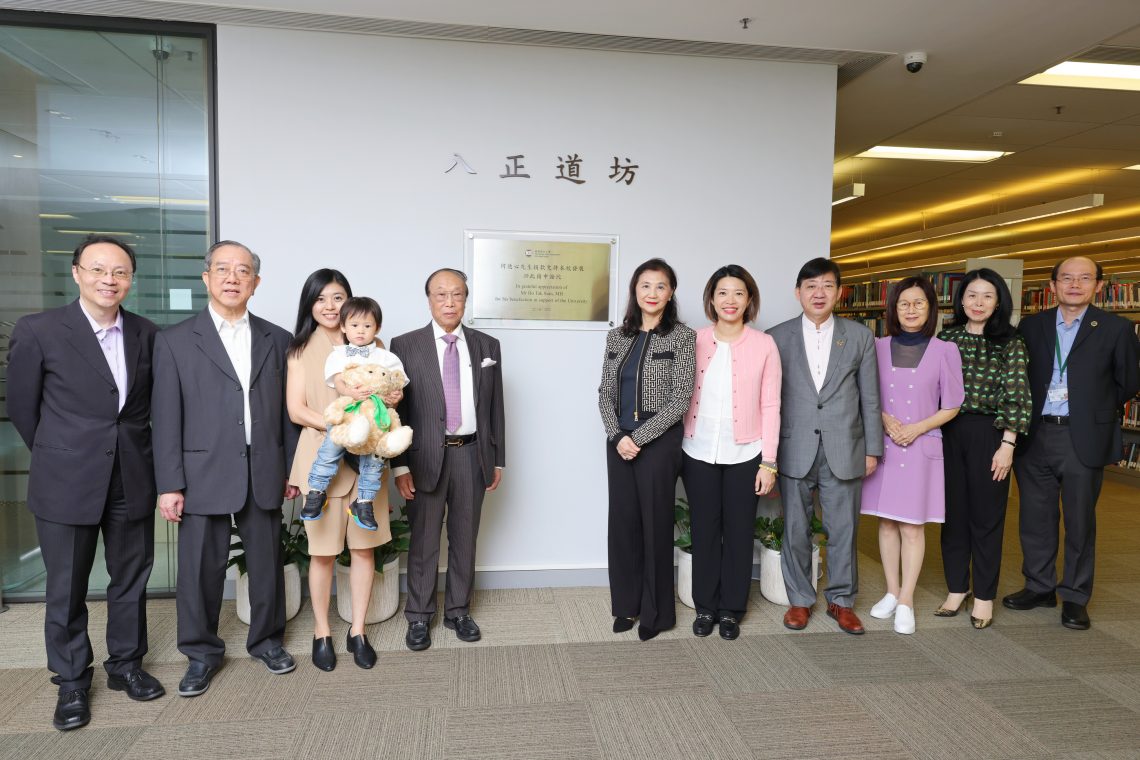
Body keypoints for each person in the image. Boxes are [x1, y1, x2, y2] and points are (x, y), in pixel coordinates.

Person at [8, 235, 163, 731]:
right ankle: (72, 680)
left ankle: (126, 665)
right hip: (66, 480)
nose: (109, 280)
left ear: (130, 279)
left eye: (119, 272)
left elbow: (148, 409)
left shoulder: (146, 332)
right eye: (98, 270)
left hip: (131, 476)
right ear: (76, 273)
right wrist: (61, 454)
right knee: (66, 586)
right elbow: (22, 409)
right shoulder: (39, 330)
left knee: (130, 579)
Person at [152, 240, 300, 696]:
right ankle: (200, 653)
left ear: (256, 282)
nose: (232, 277)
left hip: (264, 469)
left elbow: (288, 414)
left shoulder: (279, 338)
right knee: (199, 571)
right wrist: (169, 483)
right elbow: (165, 417)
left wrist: (293, 468)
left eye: (243, 271)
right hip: (201, 474)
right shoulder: (175, 339)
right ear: (206, 278)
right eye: (223, 269)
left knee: (267, 563)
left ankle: (267, 641)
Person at [1006, 256, 1140, 630]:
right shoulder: (1032, 326)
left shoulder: (1116, 328)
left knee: (1080, 521)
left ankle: (1076, 597)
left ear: (1099, 285)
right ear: (1052, 286)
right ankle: (1039, 586)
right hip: (1036, 434)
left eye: (1085, 278)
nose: (1075, 285)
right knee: (1035, 517)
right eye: (1066, 278)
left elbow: (1128, 381)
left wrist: (1091, 408)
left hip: (1083, 435)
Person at [286, 276, 399, 671]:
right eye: (321, 299)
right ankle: (322, 632)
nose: (330, 306)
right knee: (322, 555)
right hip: (323, 457)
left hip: (367, 461)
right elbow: (296, 410)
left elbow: (389, 389)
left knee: (365, 550)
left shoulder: (375, 346)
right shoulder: (301, 349)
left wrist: (391, 397)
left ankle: (358, 630)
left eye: (338, 297)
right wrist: (341, 430)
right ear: (310, 305)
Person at [391, 268, 505, 651]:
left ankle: (458, 610)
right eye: (441, 295)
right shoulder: (404, 345)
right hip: (424, 457)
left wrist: (497, 458)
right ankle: (419, 616)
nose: (449, 302)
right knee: (423, 541)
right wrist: (400, 465)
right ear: (429, 300)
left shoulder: (488, 346)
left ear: (466, 298)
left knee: (465, 538)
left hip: (472, 455)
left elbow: (496, 408)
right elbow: (397, 412)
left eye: (456, 294)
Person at [768, 257, 882, 635]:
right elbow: (769, 399)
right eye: (811, 286)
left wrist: (872, 449)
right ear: (798, 292)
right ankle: (800, 600)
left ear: (839, 292)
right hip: (793, 447)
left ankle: (842, 601)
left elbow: (870, 398)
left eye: (828, 286)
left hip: (845, 447)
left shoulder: (860, 336)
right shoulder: (776, 336)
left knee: (843, 529)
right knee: (796, 529)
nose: (819, 293)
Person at [598, 258, 696, 641]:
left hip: (658, 443)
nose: (652, 293)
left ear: (670, 292)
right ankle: (626, 606)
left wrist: (639, 438)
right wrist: (616, 434)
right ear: (634, 291)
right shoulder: (616, 337)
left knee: (655, 525)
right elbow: (605, 391)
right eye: (645, 286)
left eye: (660, 286)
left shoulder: (682, 337)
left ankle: (657, 613)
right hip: (618, 441)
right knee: (622, 525)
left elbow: (681, 398)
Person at [681, 265, 780, 640]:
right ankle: (705, 607)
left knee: (739, 532)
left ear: (749, 299)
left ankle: (731, 610)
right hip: (697, 450)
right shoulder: (693, 340)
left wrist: (768, 461)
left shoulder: (764, 345)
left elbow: (771, 405)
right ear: (711, 299)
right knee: (704, 530)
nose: (730, 300)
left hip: (747, 453)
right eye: (722, 292)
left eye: (738, 293)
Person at [861, 276, 963, 635]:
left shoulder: (945, 350)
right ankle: (890, 591)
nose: (911, 309)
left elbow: (952, 405)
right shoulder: (876, 346)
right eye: (904, 303)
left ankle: (906, 600)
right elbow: (866, 392)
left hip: (921, 446)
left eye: (919, 303)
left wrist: (915, 428)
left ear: (931, 308)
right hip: (884, 443)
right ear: (893, 309)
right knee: (885, 522)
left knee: (913, 527)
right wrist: (887, 421)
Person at [937, 268, 1031, 629]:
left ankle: (984, 596)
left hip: (990, 434)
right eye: (972, 295)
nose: (978, 303)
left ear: (998, 302)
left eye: (987, 296)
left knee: (987, 518)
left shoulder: (1010, 341)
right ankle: (957, 589)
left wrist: (1008, 444)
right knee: (953, 516)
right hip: (947, 431)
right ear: (961, 300)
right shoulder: (946, 339)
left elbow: (1017, 395)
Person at [301, 296, 407, 533]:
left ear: (377, 328)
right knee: (329, 450)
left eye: (367, 326)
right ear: (343, 327)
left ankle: (364, 503)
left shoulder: (386, 357)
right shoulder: (339, 354)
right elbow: (338, 380)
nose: (360, 331)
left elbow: (397, 384)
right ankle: (316, 492)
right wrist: (350, 392)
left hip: (376, 419)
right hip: (349, 416)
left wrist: (395, 396)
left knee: (374, 461)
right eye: (355, 325)